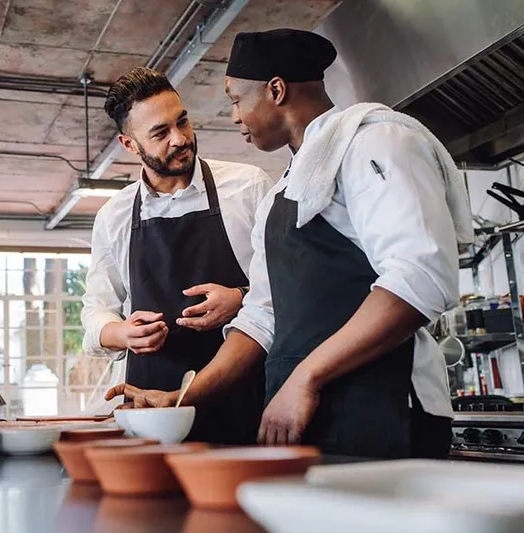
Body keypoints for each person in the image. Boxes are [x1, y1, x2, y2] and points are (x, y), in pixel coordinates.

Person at [106, 30, 473, 459]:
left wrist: (306, 377)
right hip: (307, 416)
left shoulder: (376, 141)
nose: (234, 116)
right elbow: (262, 317)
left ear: (276, 90)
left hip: (385, 406)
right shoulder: (283, 191)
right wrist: (183, 399)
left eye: (236, 99)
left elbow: (421, 278)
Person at [81, 67, 273, 444]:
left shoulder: (248, 187)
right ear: (129, 144)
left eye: (182, 122)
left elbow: (286, 289)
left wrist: (239, 298)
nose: (180, 139)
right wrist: (121, 332)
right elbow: (95, 308)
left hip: (244, 400)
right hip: (152, 412)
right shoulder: (114, 216)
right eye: (160, 133)